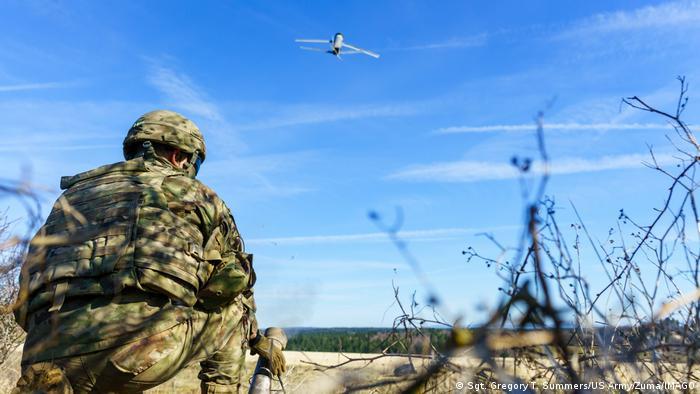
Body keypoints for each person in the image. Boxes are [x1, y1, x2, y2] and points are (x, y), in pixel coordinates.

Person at [13, 110, 285, 393]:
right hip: (132, 352)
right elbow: (232, 279)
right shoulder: (194, 193)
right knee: (235, 308)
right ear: (180, 156)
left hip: (42, 356)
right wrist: (256, 339)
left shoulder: (70, 197)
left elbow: (25, 291)